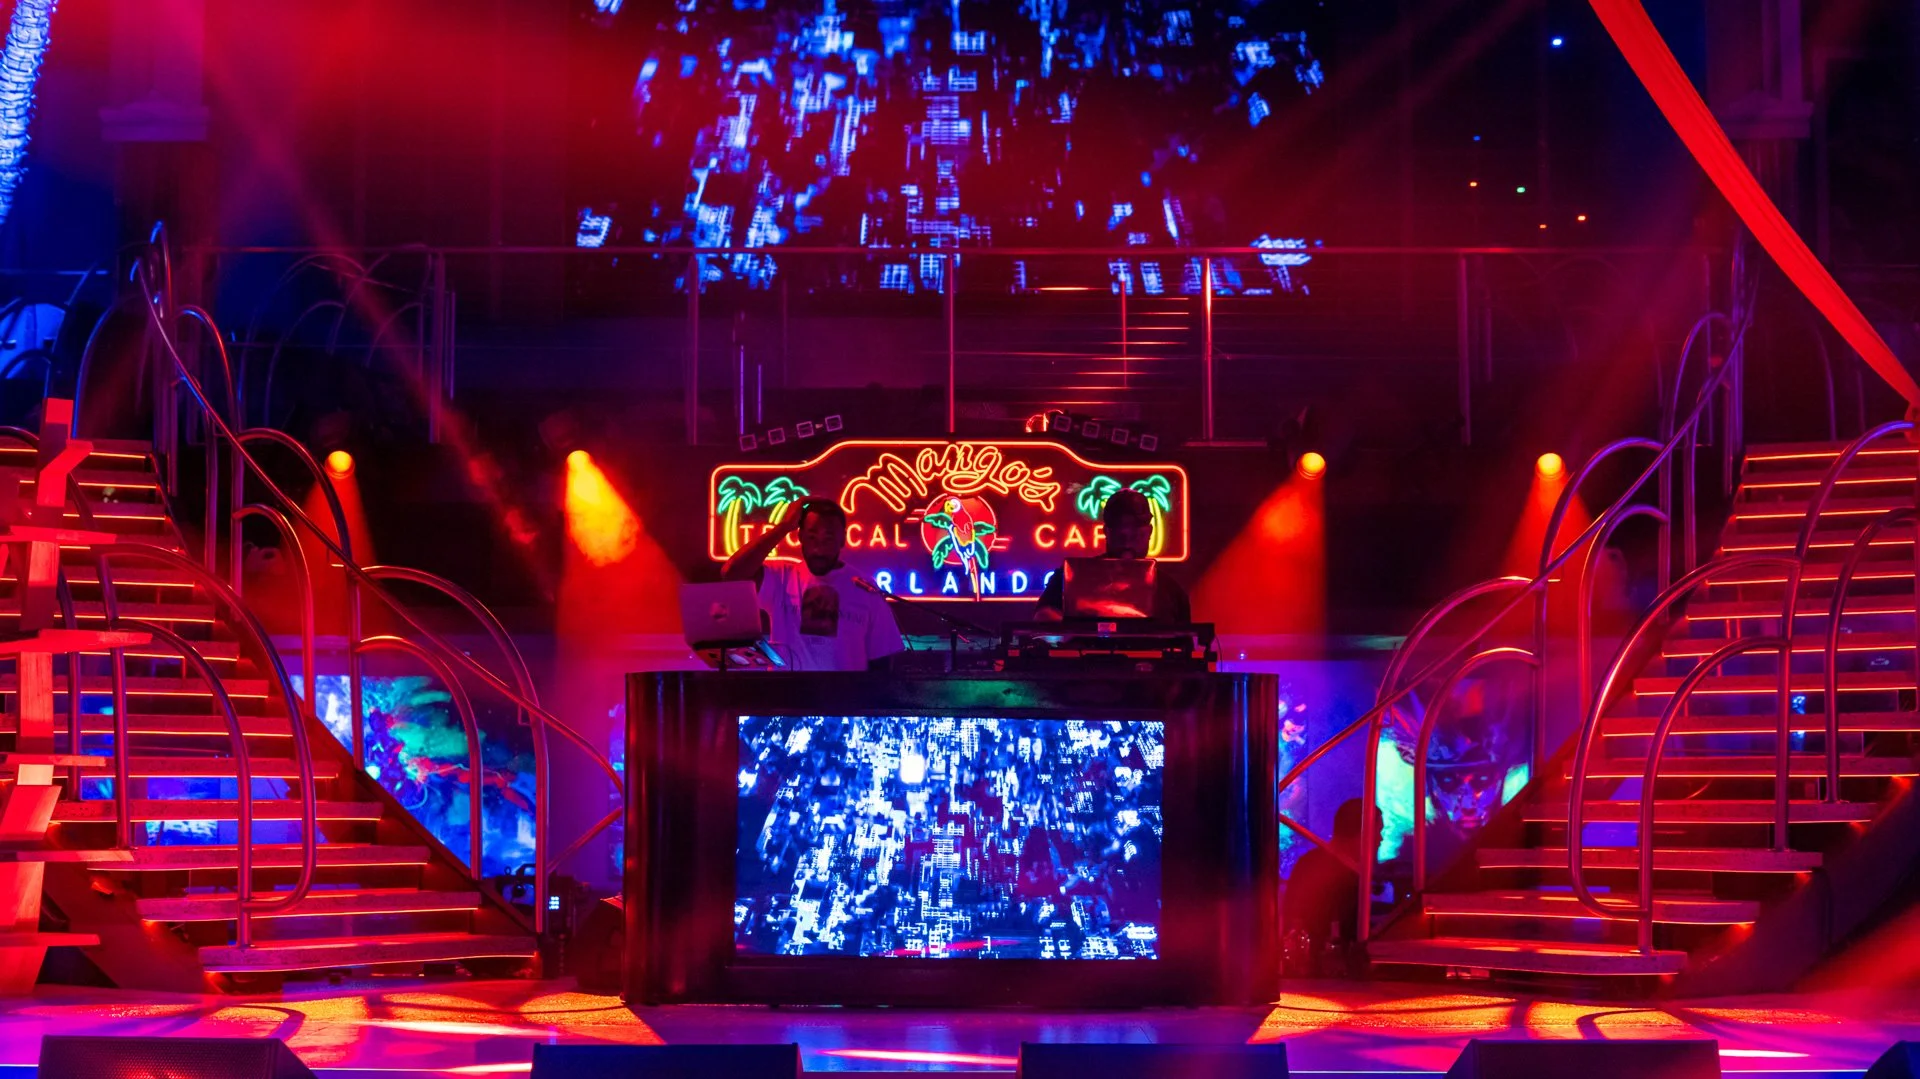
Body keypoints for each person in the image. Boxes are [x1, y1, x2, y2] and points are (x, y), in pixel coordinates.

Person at [723, 497, 905, 672]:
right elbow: (732, 573)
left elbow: (884, 661)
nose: (819, 549)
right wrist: (784, 526)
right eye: (812, 538)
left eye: (828, 540)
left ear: (843, 539)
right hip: (787, 694)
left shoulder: (865, 588)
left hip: (845, 695)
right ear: (800, 536)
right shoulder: (781, 577)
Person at [1033, 488, 1191, 622]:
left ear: (1149, 532)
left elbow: (1185, 644)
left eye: (1135, 528)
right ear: (1106, 532)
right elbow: (1042, 619)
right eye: (1119, 527)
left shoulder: (1171, 592)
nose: (1126, 534)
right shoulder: (1070, 578)